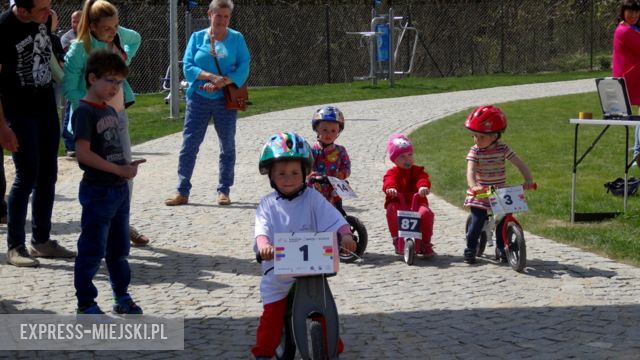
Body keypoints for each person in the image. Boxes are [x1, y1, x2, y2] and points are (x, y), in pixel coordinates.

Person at [251, 132, 356, 359]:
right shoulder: (268, 204)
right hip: (278, 269)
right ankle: (263, 352)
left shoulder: (312, 198)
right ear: (270, 175)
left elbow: (334, 219)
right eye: (281, 174)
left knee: (324, 308)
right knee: (272, 314)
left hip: (311, 269)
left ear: (305, 173)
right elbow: (262, 230)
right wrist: (264, 245)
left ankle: (332, 348)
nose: (288, 178)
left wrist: (345, 236)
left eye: (294, 173)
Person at [64, 0, 149, 246]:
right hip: (93, 119)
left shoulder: (117, 39)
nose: (113, 31)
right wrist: (86, 110)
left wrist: (124, 58)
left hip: (118, 116)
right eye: (107, 28)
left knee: (126, 171)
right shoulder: (80, 48)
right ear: (92, 26)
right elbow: (69, 85)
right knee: (98, 174)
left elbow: (136, 38)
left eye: (116, 26)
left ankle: (122, 222)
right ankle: (99, 227)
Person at [0, 0, 76, 267]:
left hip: (44, 109)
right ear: (22, 11)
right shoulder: (4, 29)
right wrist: (3, 127)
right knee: (26, 175)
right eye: (43, 9)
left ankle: (41, 241)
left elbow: (54, 62)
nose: (50, 14)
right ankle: (16, 247)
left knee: (48, 174)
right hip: (17, 112)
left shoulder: (43, 21)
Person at [72, 49, 145, 314]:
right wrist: (116, 169)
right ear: (92, 78)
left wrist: (127, 168)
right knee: (92, 249)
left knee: (119, 248)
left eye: (119, 82)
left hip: (118, 189)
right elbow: (83, 154)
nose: (115, 88)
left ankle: (121, 296)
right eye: (110, 81)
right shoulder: (84, 111)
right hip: (98, 190)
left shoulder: (110, 111)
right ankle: (86, 302)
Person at [165, 0, 250, 207]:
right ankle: (182, 190)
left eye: (226, 16)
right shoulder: (197, 38)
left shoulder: (237, 38)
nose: (222, 20)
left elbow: (243, 66)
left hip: (225, 100)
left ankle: (224, 190)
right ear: (209, 14)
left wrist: (223, 82)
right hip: (199, 99)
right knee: (189, 144)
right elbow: (188, 66)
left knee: (227, 146)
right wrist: (211, 77)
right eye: (218, 15)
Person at [462, 105, 535, 264]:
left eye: (481, 137)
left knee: (504, 220)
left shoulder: (503, 149)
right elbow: (471, 170)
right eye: (474, 136)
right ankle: (470, 247)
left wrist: (528, 179)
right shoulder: (475, 151)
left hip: (499, 192)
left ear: (495, 135)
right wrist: (474, 185)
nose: (477, 140)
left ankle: (502, 248)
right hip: (481, 192)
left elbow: (519, 164)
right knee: (478, 219)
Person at [382, 134, 436, 258]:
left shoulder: (417, 171)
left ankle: (426, 242)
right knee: (391, 210)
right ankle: (397, 238)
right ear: (394, 159)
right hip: (399, 202)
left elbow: (422, 178)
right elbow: (389, 180)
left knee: (426, 213)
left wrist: (423, 186)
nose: (408, 160)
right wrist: (391, 188)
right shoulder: (393, 172)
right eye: (402, 157)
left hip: (416, 202)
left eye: (410, 155)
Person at [613, 1, 640, 169]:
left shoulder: (632, 29)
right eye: (630, 11)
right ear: (623, 12)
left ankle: (638, 153)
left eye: (637, 12)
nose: (634, 15)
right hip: (630, 78)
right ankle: (638, 153)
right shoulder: (624, 31)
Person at [307, 105, 351, 207]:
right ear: (317, 129)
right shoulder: (312, 150)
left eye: (333, 131)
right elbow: (306, 167)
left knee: (337, 211)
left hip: (334, 189)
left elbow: (347, 167)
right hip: (316, 187)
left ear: (338, 132)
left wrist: (342, 174)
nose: (329, 134)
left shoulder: (340, 151)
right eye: (325, 130)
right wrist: (311, 174)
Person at [59, 9, 81, 156]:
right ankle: (70, 145)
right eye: (74, 21)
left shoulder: (90, 35)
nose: (76, 24)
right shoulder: (67, 38)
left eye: (79, 21)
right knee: (70, 111)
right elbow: (69, 59)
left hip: (85, 81)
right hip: (72, 81)